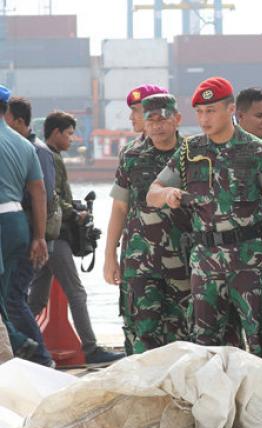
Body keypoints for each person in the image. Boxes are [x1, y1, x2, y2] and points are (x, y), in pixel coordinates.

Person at [146, 76, 262, 357]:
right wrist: (167, 194)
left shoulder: (259, 150)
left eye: (211, 110)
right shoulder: (190, 151)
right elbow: (152, 191)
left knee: (261, 339)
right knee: (205, 344)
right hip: (205, 262)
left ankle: (259, 401)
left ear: (230, 109)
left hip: (250, 260)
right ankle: (214, 400)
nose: (204, 118)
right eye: (200, 112)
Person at [29, 111, 125, 365]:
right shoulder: (50, 157)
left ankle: (20, 345)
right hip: (56, 236)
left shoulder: (45, 155)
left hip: (46, 235)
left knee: (36, 299)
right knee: (77, 293)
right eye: (70, 133)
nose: (73, 139)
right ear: (56, 133)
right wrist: (76, 213)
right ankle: (92, 350)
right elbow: (52, 197)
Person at [104, 94, 191, 354]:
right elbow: (120, 207)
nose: (156, 125)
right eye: (149, 119)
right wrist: (110, 255)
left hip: (183, 261)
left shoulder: (193, 154)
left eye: (162, 119)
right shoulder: (131, 155)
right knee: (142, 332)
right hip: (139, 262)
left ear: (176, 119)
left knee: (185, 333)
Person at [5, 96, 58, 367]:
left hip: (16, 230)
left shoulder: (36, 150)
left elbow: (42, 195)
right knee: (13, 297)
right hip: (21, 229)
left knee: (12, 298)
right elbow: (39, 193)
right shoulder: (25, 146)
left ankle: (35, 353)